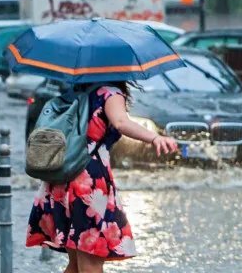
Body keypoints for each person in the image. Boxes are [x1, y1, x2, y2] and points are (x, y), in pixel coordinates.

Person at [26, 83, 179, 273]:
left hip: (61, 179)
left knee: (75, 265)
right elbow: (121, 122)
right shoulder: (110, 93)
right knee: (91, 264)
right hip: (88, 182)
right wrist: (154, 138)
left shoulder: (75, 92)